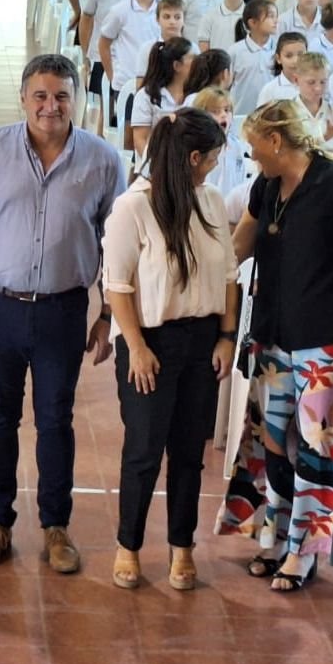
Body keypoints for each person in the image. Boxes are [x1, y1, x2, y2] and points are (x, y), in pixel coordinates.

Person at [0, 54, 125, 575]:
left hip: (63, 310)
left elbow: (117, 243)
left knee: (55, 418)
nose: (51, 106)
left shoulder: (102, 159)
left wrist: (107, 314)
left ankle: (55, 526)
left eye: (62, 96)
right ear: (23, 98)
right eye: (41, 96)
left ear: (77, 100)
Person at [222, 101, 333, 592]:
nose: (251, 156)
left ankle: (304, 551)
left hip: (325, 341)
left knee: (315, 449)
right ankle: (276, 535)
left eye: (254, 146)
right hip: (271, 335)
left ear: (276, 141)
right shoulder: (266, 187)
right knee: (271, 443)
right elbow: (238, 247)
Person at [103, 110, 238, 590]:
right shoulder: (132, 207)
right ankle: (129, 546)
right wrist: (136, 347)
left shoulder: (211, 200)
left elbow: (228, 277)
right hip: (150, 342)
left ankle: (183, 547)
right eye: (213, 158)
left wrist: (226, 337)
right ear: (194, 157)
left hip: (203, 341)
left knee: (188, 453)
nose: (216, 166)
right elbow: (117, 286)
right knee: (143, 451)